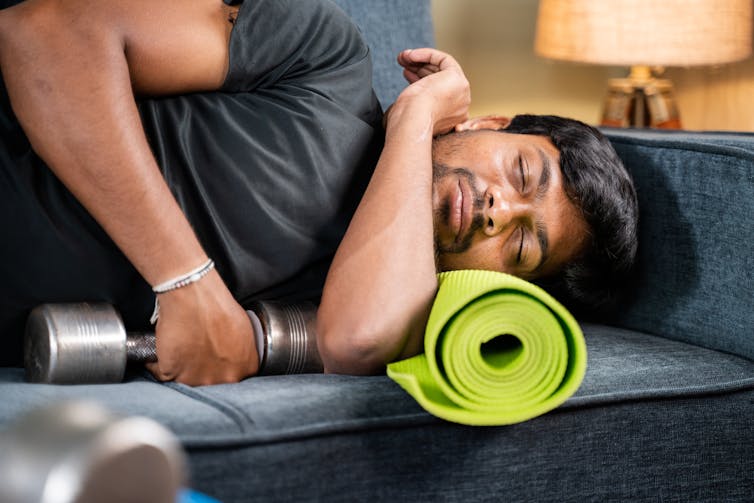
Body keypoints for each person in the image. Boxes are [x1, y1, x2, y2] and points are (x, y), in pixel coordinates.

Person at [0, 0, 638, 384]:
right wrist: (184, 281)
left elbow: (355, 341)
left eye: (523, 247)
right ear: (488, 122)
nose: (502, 211)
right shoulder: (326, 61)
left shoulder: (384, 302)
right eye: (524, 174)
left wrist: (412, 128)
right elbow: (45, 33)